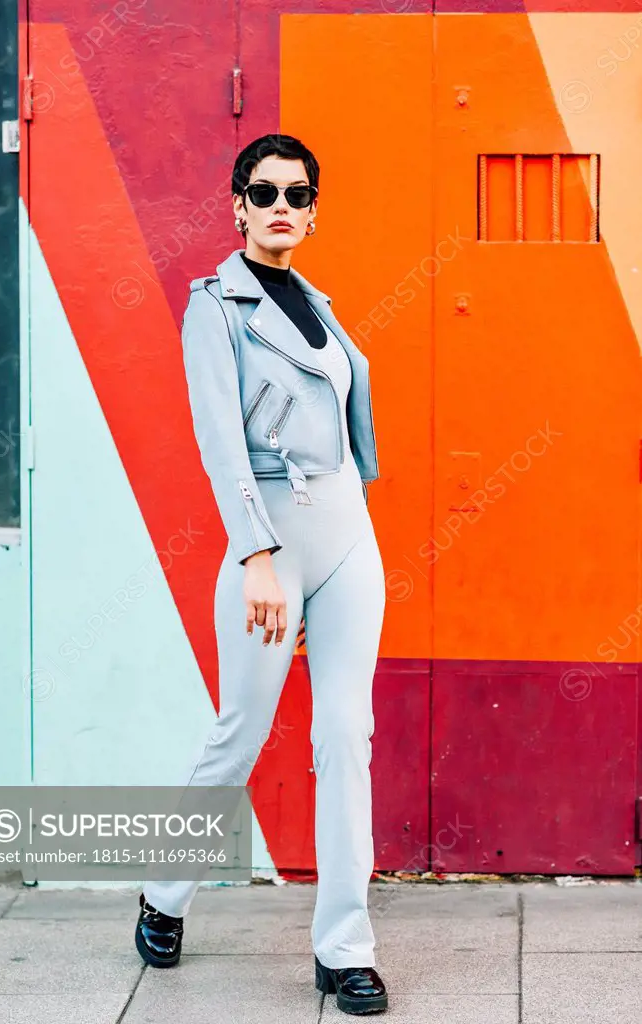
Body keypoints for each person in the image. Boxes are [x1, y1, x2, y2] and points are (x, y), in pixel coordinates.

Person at [134, 133, 388, 1015]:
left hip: (348, 533)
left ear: (314, 211)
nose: (281, 204)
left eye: (297, 192)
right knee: (241, 729)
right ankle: (165, 893)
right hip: (270, 540)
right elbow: (220, 444)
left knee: (343, 736)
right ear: (237, 205)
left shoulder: (320, 306)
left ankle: (343, 947)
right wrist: (256, 555)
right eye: (264, 190)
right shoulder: (217, 306)